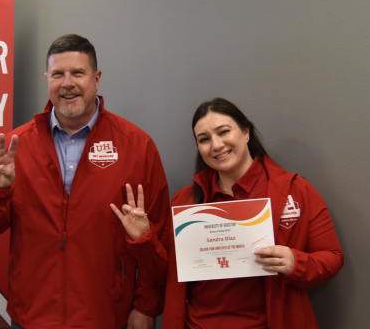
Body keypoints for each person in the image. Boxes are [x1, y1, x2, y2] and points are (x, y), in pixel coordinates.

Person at [0, 34, 170, 329]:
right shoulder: (16, 146)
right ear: (47, 79)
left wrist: (147, 306)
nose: (67, 83)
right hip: (32, 314)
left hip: (105, 314)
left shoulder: (137, 146)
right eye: (58, 74)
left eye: (78, 73)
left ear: (96, 78)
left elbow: (159, 233)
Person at [111, 97, 344, 329]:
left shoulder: (295, 190)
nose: (216, 145)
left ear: (245, 132)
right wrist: (143, 239)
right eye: (204, 139)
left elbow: (332, 257)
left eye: (223, 132)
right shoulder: (186, 201)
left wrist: (297, 263)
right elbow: (169, 275)